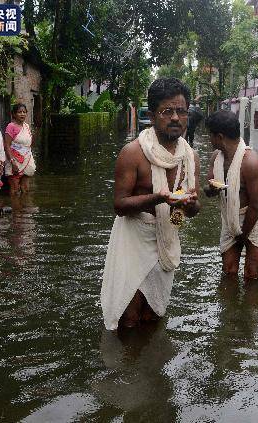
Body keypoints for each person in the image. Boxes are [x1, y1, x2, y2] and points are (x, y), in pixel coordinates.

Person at [101, 77, 201, 330]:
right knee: (129, 317)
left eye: (181, 111)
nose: (176, 118)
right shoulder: (133, 153)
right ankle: (123, 368)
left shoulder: (190, 157)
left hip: (166, 237)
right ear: (153, 115)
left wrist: (188, 205)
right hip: (133, 239)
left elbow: (193, 210)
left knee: (153, 315)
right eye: (167, 111)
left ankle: (148, 366)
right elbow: (120, 205)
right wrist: (159, 197)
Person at [204, 110, 258, 281]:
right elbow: (209, 189)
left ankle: (250, 307)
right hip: (230, 217)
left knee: (251, 274)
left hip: (256, 218)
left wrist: (242, 236)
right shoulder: (216, 158)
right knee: (229, 271)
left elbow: (256, 205)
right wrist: (212, 190)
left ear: (219, 137)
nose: (209, 140)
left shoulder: (250, 162)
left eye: (210, 136)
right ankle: (231, 307)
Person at [4, 103, 36, 195]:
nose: (22, 114)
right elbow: (7, 145)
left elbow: (28, 144)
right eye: (19, 112)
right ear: (14, 114)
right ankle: (15, 208)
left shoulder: (26, 126)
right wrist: (12, 162)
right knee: (14, 189)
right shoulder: (11, 126)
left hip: (27, 158)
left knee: (25, 188)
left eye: (24, 112)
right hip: (15, 160)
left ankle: (25, 207)